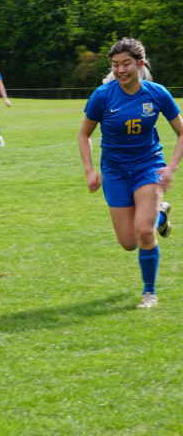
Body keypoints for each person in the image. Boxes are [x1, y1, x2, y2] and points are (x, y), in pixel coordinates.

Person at [78, 37, 183, 308]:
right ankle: (161, 212)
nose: (121, 70)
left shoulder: (157, 93)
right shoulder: (102, 96)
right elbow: (84, 133)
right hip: (115, 172)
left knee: (143, 231)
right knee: (129, 242)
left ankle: (149, 293)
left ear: (140, 64)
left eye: (126, 64)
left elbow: (181, 132)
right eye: (115, 65)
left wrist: (170, 167)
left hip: (149, 167)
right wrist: (90, 170)